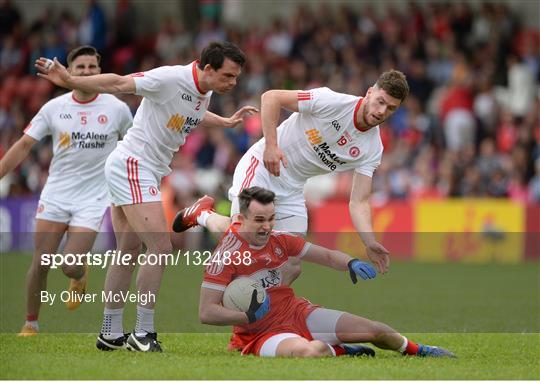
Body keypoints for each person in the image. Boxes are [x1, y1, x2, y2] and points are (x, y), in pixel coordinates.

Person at [35, 41, 258, 352]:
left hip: (136, 167)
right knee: (161, 247)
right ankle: (143, 333)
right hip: (133, 164)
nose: (233, 83)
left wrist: (225, 121)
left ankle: (110, 334)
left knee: (128, 251)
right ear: (208, 68)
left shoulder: (203, 90)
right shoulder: (168, 78)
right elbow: (118, 82)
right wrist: (71, 81)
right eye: (228, 76)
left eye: (235, 77)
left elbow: (194, 114)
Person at [174, 70, 409, 277]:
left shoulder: (373, 148)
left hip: (293, 187)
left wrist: (369, 242)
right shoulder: (332, 102)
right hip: (262, 167)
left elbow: (359, 201)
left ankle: (262, 319)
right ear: (369, 93)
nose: (381, 111)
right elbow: (271, 97)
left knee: (292, 264)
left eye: (390, 108)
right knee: (247, 240)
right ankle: (203, 215)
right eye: (380, 101)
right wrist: (271, 146)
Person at [199, 186, 455, 358]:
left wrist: (350, 263)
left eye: (271, 218)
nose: (267, 227)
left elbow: (327, 256)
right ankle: (343, 350)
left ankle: (420, 350)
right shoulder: (225, 256)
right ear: (241, 219)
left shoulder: (280, 240)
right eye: (259, 220)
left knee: (376, 330)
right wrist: (247, 315)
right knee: (311, 352)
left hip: (297, 312)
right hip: (261, 334)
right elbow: (206, 312)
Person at [0, 45, 133, 336]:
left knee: (69, 265)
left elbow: (135, 144)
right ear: (69, 72)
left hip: (94, 197)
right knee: (41, 261)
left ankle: (79, 274)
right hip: (56, 194)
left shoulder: (117, 108)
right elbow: (23, 145)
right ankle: (30, 323)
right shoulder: (54, 108)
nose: (87, 72)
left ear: (100, 71)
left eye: (92, 68)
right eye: (81, 67)